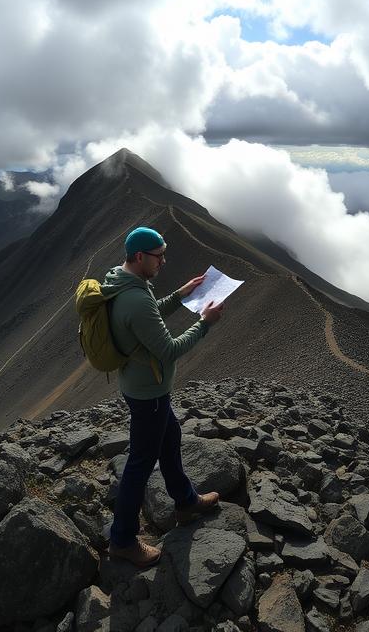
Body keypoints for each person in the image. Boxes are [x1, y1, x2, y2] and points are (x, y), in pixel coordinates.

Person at [104, 226, 224, 567]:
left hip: (141, 387)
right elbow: (168, 350)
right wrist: (204, 322)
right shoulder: (135, 297)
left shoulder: (120, 281)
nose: (164, 261)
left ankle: (186, 502)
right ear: (140, 256)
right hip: (149, 394)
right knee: (139, 465)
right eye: (159, 256)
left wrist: (181, 294)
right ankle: (122, 540)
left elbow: (149, 313)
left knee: (170, 438)